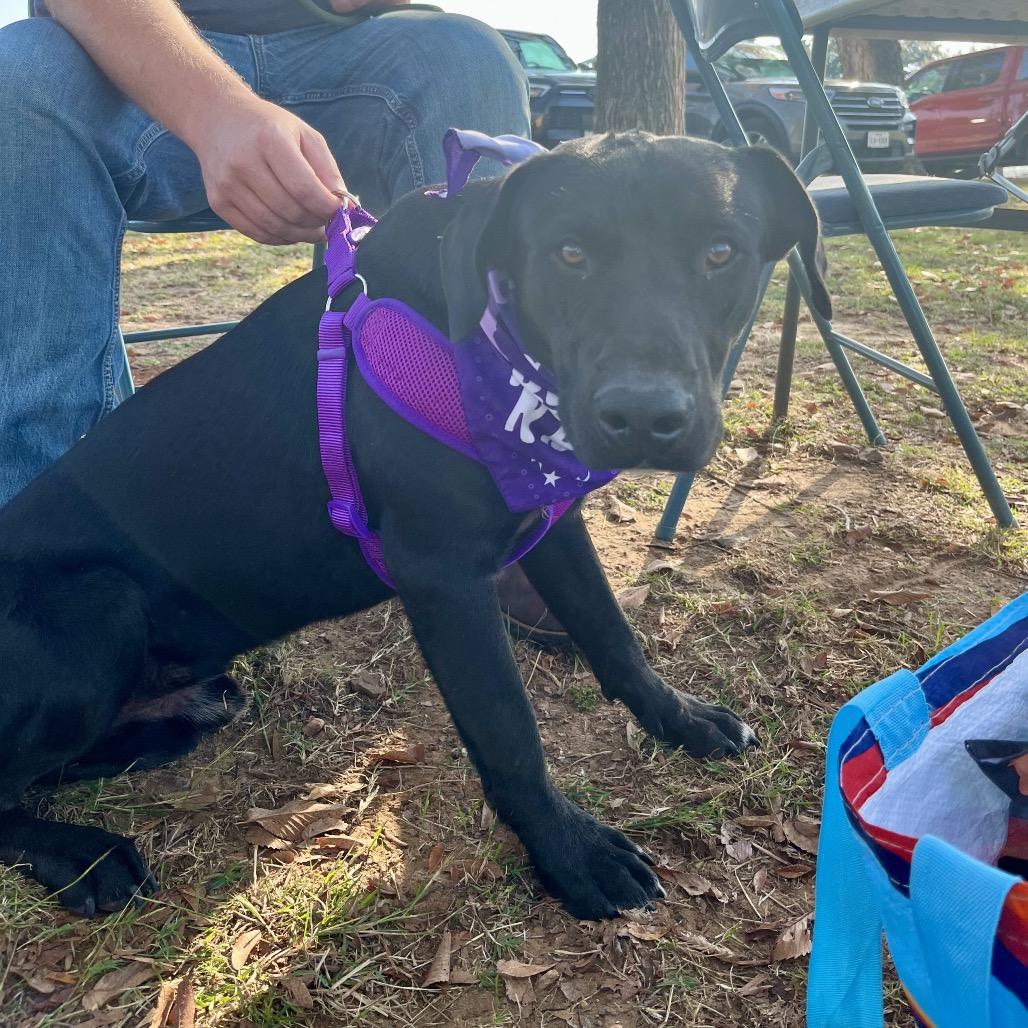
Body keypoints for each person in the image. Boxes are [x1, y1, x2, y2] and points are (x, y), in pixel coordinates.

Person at [0, 0, 566, 644]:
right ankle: (34, 560)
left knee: (467, 55)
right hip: (121, 54)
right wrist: (215, 112)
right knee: (16, 78)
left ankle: (506, 488)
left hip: (340, 55)